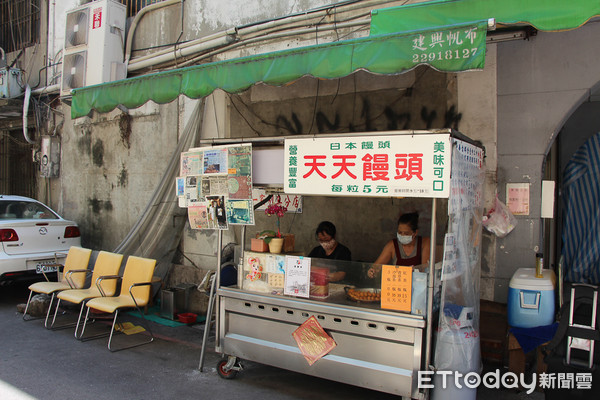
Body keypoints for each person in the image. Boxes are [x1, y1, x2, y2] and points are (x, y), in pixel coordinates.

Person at [368, 212, 431, 277]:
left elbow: (425, 269)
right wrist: (372, 271)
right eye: (400, 232)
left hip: (418, 285)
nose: (402, 235)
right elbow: (377, 266)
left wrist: (413, 270)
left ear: (415, 233)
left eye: (406, 233)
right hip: (398, 285)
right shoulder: (392, 245)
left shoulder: (425, 243)